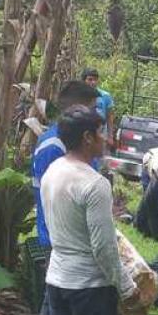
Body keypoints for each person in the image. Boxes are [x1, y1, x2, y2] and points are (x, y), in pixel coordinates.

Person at [42, 105, 138, 315]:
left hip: (57, 280)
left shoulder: (53, 170)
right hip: (90, 288)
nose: (105, 139)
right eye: (101, 132)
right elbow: (104, 248)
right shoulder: (94, 184)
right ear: (87, 137)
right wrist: (127, 287)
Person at [32, 81, 101, 251]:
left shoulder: (78, 142)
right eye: (92, 109)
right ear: (76, 110)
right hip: (60, 243)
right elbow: (56, 198)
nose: (96, 114)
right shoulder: (54, 145)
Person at [81, 68, 116, 151]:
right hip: (82, 134)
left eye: (95, 80)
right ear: (83, 81)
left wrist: (110, 137)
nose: (93, 82)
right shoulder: (78, 96)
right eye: (90, 79)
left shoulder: (105, 96)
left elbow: (109, 116)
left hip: (100, 134)